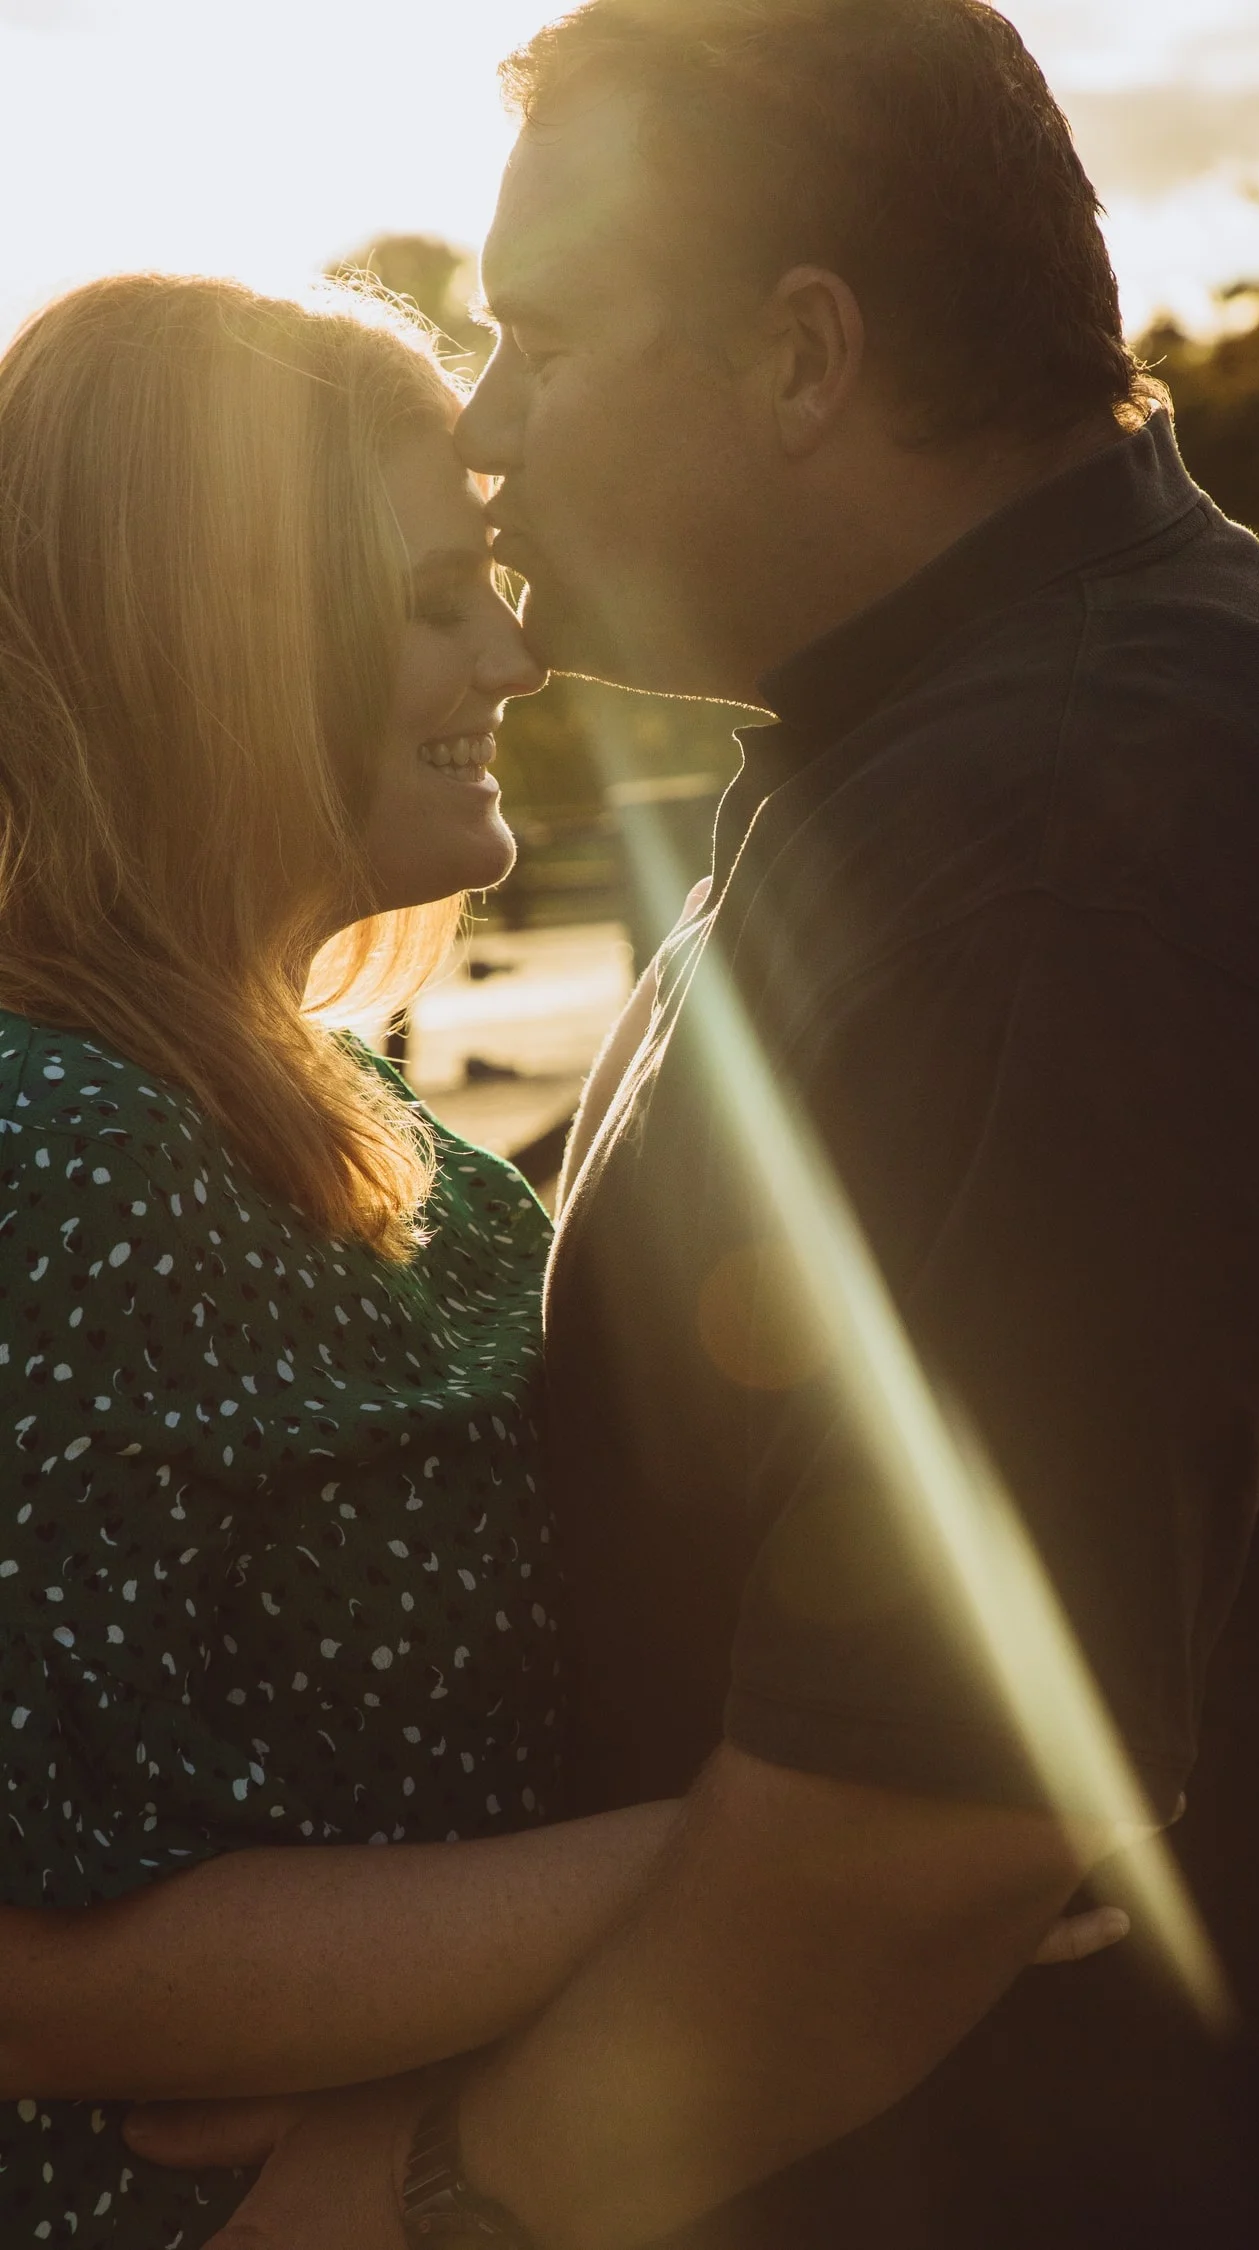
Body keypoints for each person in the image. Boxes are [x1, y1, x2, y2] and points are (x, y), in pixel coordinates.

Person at [130, 2, 1259, 2245]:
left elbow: (925, 1822)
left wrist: (425, 2203)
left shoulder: (1084, 846)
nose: (484, 426)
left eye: (545, 338)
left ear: (801, 358)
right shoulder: (934, 742)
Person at [0, 271, 694, 2248]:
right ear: (209, 644)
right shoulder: (54, 1158)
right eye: (427, 597)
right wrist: (814, 1858)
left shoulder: (371, 1135)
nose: (515, 649)